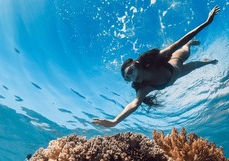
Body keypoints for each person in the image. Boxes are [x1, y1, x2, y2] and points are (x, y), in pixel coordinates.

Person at [92, 6, 220, 128]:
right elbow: (134, 104)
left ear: (136, 65)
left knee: (185, 49)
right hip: (179, 74)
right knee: (195, 66)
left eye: (130, 72)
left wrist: (207, 22)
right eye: (128, 79)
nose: (132, 78)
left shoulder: (156, 60)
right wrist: (115, 121)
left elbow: (179, 41)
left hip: (176, 60)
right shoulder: (143, 88)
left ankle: (189, 45)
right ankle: (209, 62)